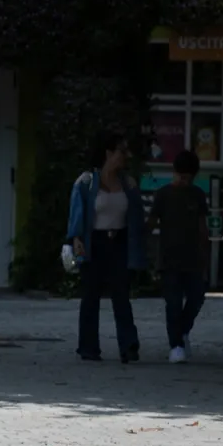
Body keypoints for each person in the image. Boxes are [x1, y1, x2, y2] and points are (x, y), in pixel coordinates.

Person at [67, 131, 146, 363]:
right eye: (122, 151)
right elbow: (76, 213)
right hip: (95, 243)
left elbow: (136, 217)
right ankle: (88, 348)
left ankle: (129, 346)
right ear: (108, 153)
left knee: (122, 295)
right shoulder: (86, 182)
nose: (126, 156)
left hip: (119, 242)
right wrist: (76, 238)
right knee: (90, 296)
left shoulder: (127, 183)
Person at [147, 149, 208, 363]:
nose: (184, 181)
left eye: (188, 178)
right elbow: (152, 223)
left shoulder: (198, 195)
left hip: (193, 259)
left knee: (196, 299)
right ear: (175, 172)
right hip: (169, 258)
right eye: (182, 177)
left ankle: (182, 332)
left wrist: (204, 254)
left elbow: (202, 227)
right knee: (172, 303)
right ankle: (176, 344)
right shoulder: (164, 195)